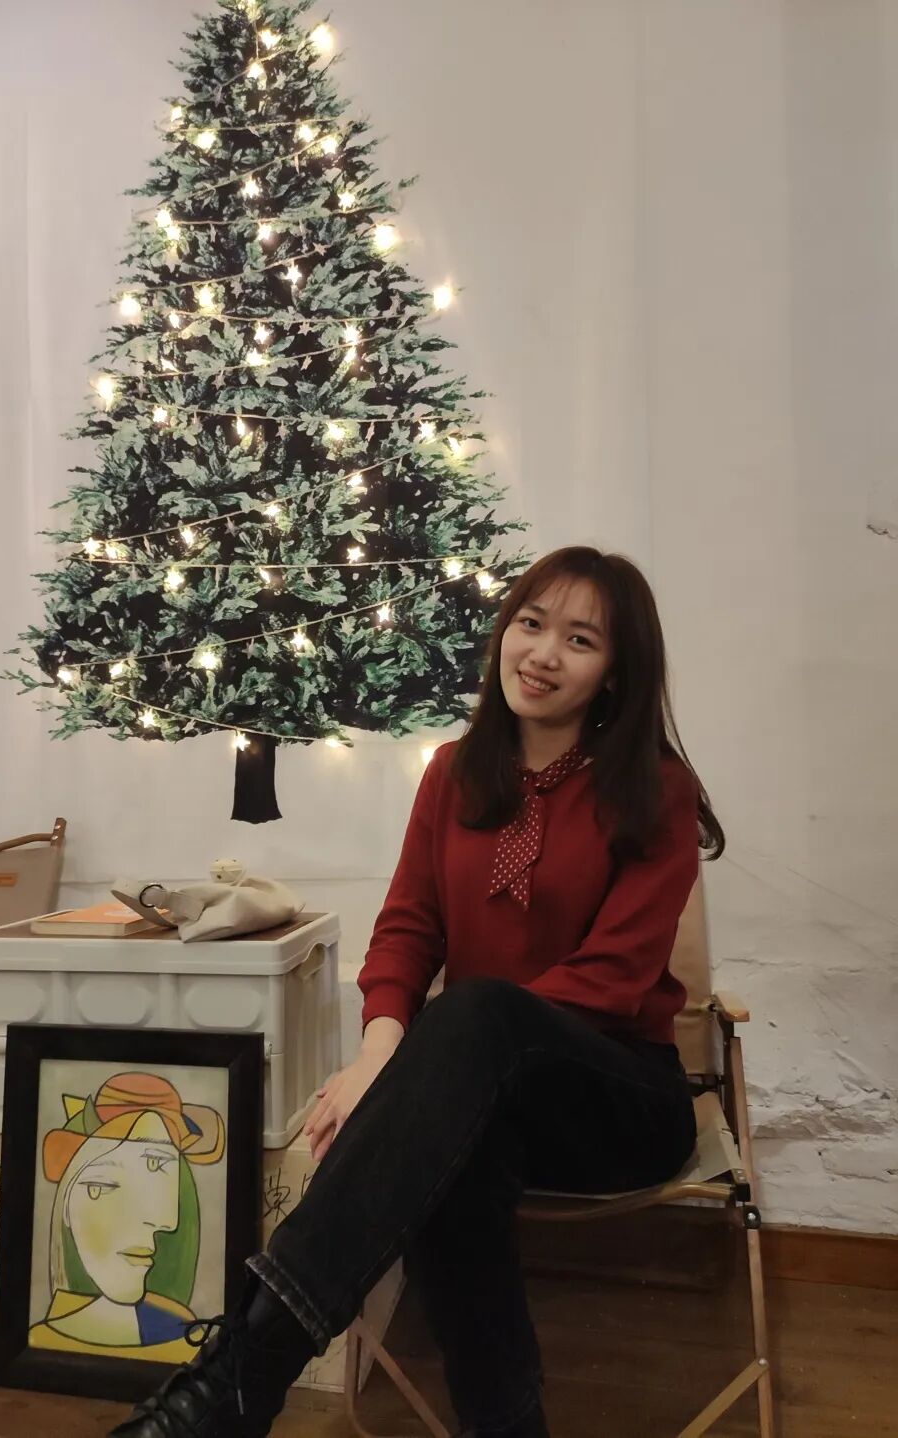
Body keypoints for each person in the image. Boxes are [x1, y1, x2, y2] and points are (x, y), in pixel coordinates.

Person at [107, 545, 725, 1438]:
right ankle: (481, 1424)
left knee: (473, 1020)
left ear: (616, 670)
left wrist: (438, 1051)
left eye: (580, 639)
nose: (543, 653)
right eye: (531, 623)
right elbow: (406, 928)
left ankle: (240, 1375)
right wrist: (382, 1055)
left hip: (616, 1097)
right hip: (478, 1092)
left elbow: (615, 977)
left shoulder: (655, 789)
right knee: (451, 1145)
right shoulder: (453, 773)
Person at [30, 1071, 225, 1361]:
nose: (165, 1222)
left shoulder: (187, 1337)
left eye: (160, 1167)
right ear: (66, 1207)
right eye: (101, 1187)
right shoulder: (40, 1343)